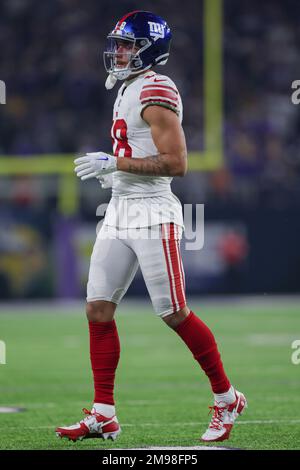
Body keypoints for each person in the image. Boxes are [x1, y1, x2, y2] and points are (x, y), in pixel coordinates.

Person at [55, 10, 247, 444]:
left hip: (152, 211)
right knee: (97, 309)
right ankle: (104, 413)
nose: (118, 51)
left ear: (149, 49)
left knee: (173, 312)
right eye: (118, 44)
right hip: (120, 208)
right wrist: (115, 174)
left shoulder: (157, 88)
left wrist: (116, 162)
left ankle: (226, 397)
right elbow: (139, 148)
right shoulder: (128, 87)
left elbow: (177, 164)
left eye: (127, 44)